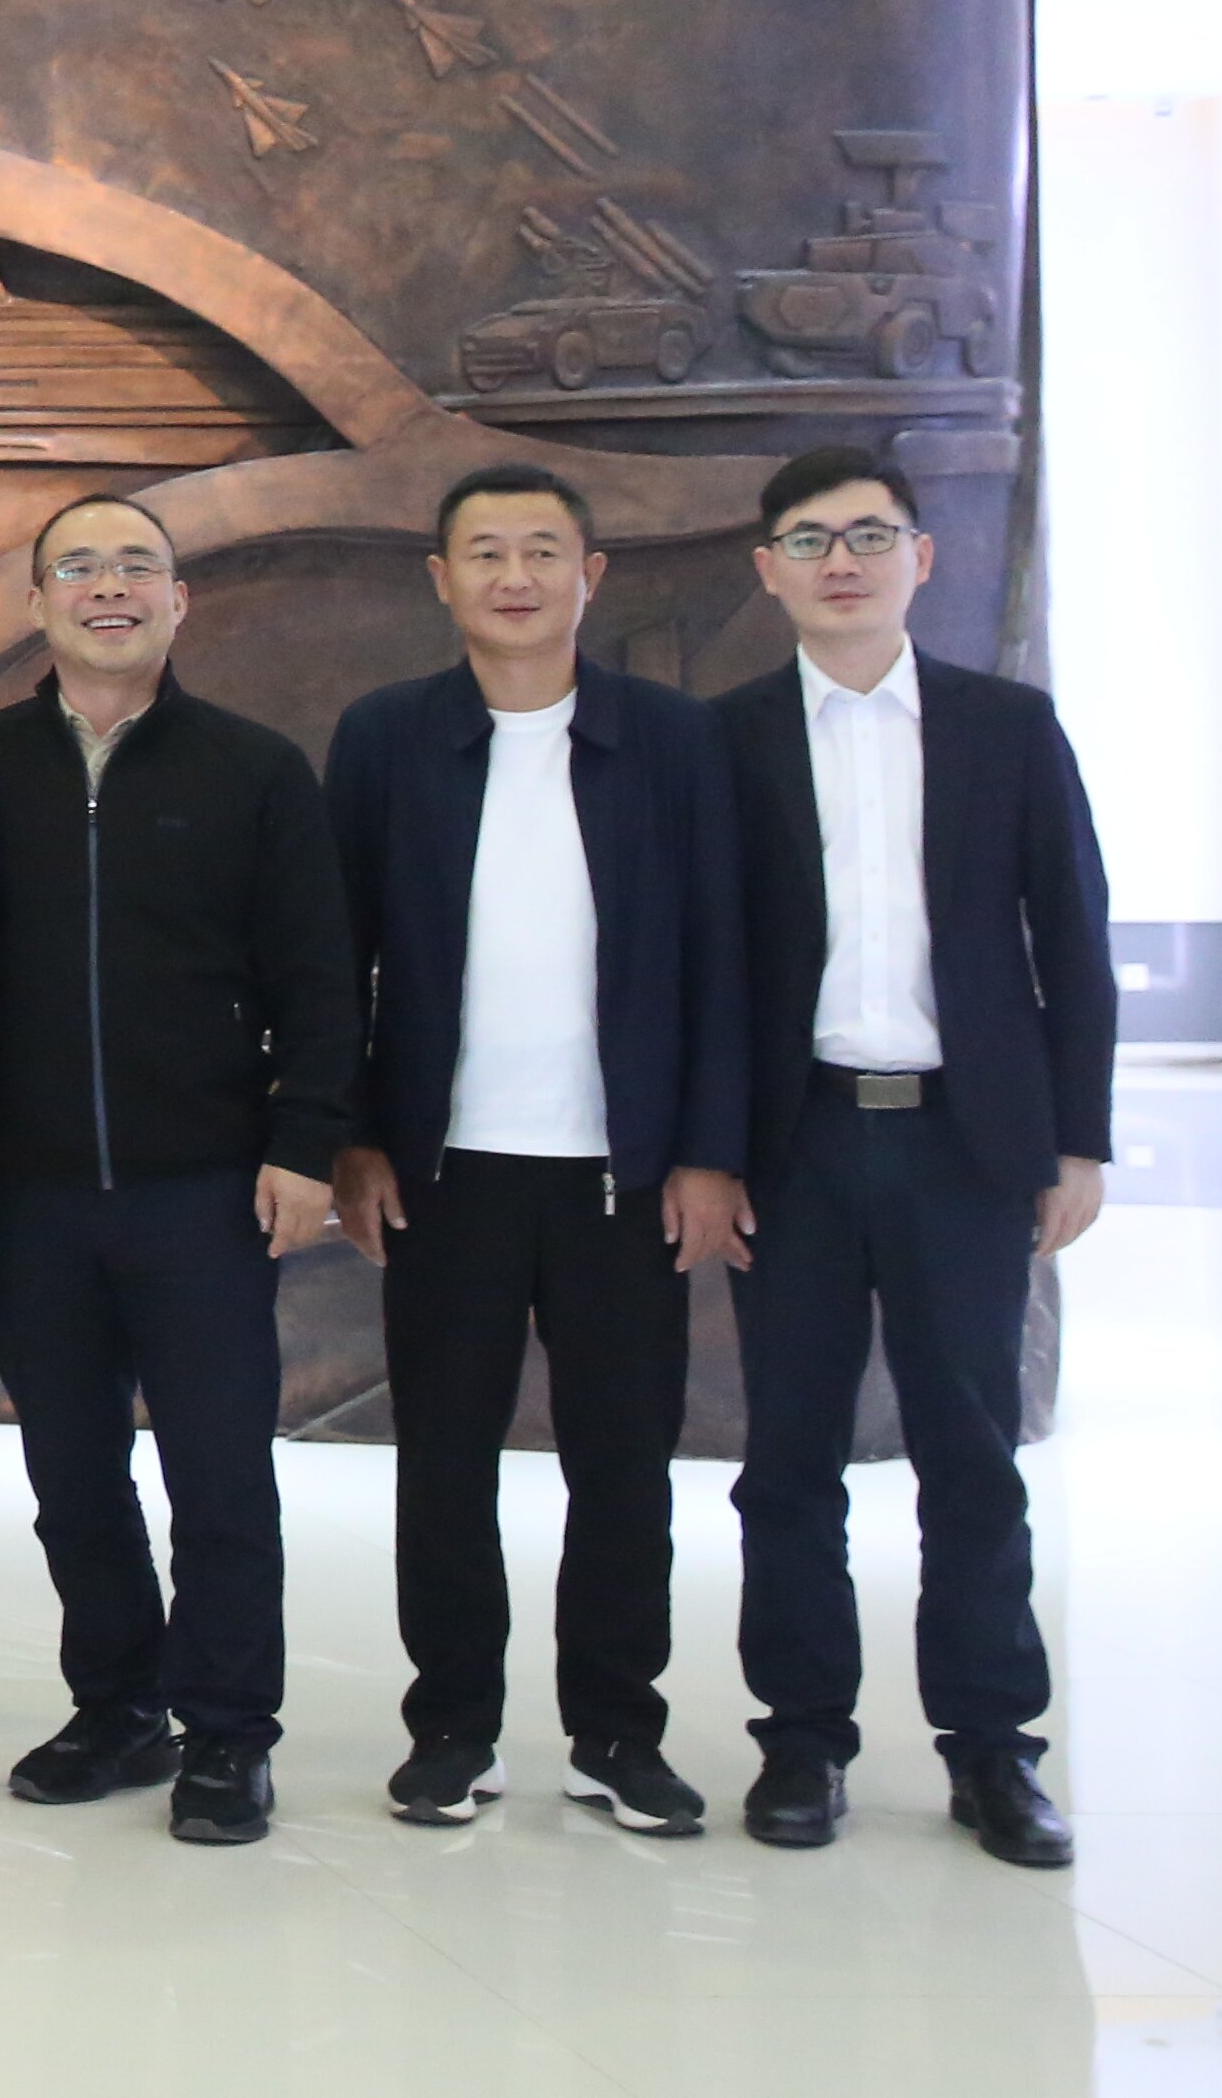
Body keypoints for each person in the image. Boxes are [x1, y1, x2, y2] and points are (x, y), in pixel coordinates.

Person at [326, 460, 748, 1837]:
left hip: (622, 1173)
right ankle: (450, 1728)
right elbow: (336, 955)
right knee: (443, 1460)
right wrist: (354, 1137)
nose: (515, 577)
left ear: (590, 574)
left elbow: (721, 957)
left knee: (623, 1464)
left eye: (542, 551)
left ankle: (618, 1730)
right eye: (485, 552)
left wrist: (707, 1151)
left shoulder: (670, 739)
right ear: (440, 579)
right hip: (444, 1170)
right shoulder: (387, 736)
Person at [714, 447, 1110, 1868]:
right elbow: (701, 963)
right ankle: (802, 1737)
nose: (842, 561)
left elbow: (1072, 936)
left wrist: (1078, 1138)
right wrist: (708, 1150)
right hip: (796, 1143)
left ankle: (993, 1747)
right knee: (789, 1458)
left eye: (870, 535)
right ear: (768, 570)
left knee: (972, 1455)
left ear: (920, 559)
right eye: (809, 538)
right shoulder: (727, 737)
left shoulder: (1008, 726)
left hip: (965, 1143)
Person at [0, 491, 362, 1846]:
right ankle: (120, 1706)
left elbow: (319, 976)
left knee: (219, 1475)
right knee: (71, 1475)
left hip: (203, 1188)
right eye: (79, 567)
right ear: (39, 602)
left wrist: (304, 1141)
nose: (110, 588)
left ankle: (230, 1732)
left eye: (138, 566)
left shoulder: (253, 769)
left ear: (179, 600)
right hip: (32, 1193)